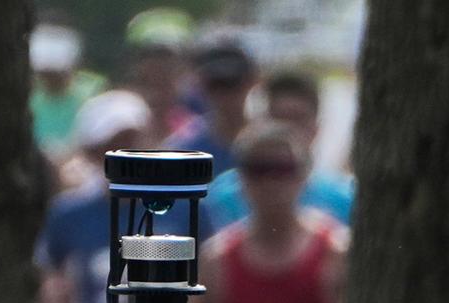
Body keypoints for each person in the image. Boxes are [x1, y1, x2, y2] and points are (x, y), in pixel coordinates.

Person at [196, 120, 346, 303]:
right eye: (258, 170)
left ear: (304, 175)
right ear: (241, 178)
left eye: (282, 169)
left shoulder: (336, 251)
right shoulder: (217, 258)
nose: (270, 182)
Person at [38, 89, 151, 303]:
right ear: (94, 152)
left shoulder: (181, 207)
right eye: (116, 145)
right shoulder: (68, 213)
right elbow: (47, 277)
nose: (128, 152)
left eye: (133, 141)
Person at [200, 69, 353, 241]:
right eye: (278, 119)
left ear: (316, 128)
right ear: (259, 123)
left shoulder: (346, 198)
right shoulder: (221, 197)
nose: (288, 130)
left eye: (298, 119)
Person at [164, 38, 257, 175]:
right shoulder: (184, 149)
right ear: (200, 85)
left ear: (252, 81)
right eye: (215, 84)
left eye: (232, 83)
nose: (224, 94)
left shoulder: (276, 147)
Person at [29, 17, 105, 161]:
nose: (50, 78)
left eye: (55, 73)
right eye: (44, 73)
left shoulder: (92, 95)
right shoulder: (29, 98)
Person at [123, 7, 195, 148]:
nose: (161, 65)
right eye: (151, 54)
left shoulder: (194, 121)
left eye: (167, 56)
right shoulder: (118, 118)